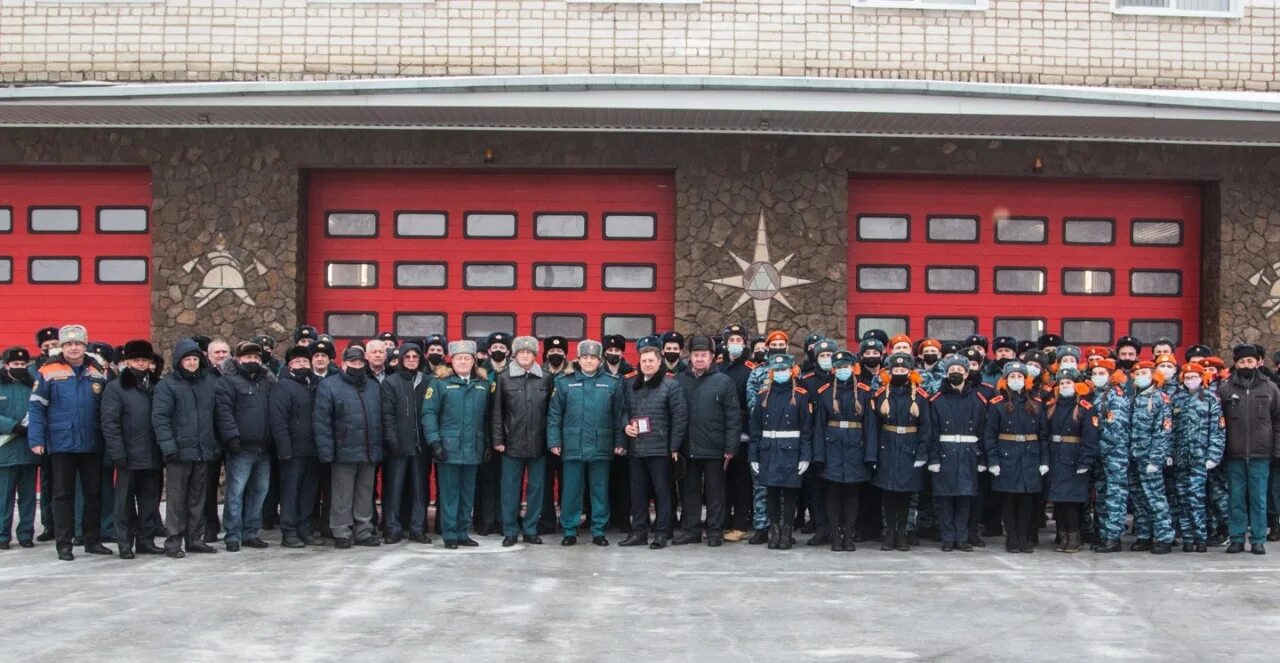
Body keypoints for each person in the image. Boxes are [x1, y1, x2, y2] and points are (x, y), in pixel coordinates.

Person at [27, 325, 114, 560]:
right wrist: (36, 439)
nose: (73, 348)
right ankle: (64, 544)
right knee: (62, 495)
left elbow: (108, 407)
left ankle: (92, 540)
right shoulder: (48, 370)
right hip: (61, 442)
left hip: (92, 442)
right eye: (68, 344)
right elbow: (36, 407)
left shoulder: (98, 370)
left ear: (85, 345)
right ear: (61, 346)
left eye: (78, 344)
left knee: (93, 493)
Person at [547, 339, 626, 546]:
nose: (589, 361)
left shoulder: (612, 382)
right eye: (585, 357)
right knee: (571, 490)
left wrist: (620, 441)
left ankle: (598, 529)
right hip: (572, 444)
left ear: (600, 360)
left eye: (593, 358)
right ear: (578, 359)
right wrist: (554, 440)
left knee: (599, 490)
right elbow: (554, 415)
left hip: (602, 444)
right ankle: (569, 530)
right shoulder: (564, 382)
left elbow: (619, 415)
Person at [152, 338, 220, 558]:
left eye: (195, 359)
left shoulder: (209, 383)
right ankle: (173, 542)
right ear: (179, 361)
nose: (192, 363)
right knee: (176, 501)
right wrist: (168, 447)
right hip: (178, 453)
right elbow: (161, 419)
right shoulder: (167, 385)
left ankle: (195, 539)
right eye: (187, 359)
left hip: (203, 451)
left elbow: (217, 416)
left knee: (198, 499)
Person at [619, 337, 688, 550]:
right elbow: (623, 411)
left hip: (660, 449)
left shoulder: (671, 385)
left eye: (651, 360)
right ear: (639, 362)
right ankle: (638, 532)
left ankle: (662, 533)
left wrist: (674, 447)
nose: (647, 364)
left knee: (662, 493)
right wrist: (625, 426)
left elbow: (680, 418)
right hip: (637, 449)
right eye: (644, 361)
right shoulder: (631, 384)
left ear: (660, 362)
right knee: (637, 493)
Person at [673, 335, 741, 547]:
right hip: (688, 447)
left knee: (715, 493)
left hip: (716, 448)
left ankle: (714, 531)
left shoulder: (724, 381)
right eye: (696, 355)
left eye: (704, 355)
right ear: (690, 357)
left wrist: (731, 446)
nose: (699, 359)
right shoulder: (679, 380)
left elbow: (733, 417)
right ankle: (691, 530)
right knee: (689, 492)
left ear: (712, 357)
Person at [314, 346, 384, 549]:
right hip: (343, 449)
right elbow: (322, 421)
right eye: (352, 362)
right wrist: (326, 451)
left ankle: (363, 530)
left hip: (369, 449)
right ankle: (342, 530)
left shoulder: (373, 386)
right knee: (342, 494)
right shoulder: (329, 386)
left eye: (360, 363)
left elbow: (380, 418)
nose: (356, 366)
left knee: (364, 492)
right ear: (343, 364)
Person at [423, 340, 491, 549]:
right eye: (459, 358)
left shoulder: (483, 385)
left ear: (474, 361)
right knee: (450, 493)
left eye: (467, 358)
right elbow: (429, 414)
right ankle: (450, 534)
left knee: (467, 493)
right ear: (452, 360)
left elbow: (488, 417)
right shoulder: (440, 383)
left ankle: (463, 532)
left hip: (473, 448)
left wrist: (487, 443)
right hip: (448, 448)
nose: (463, 361)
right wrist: (434, 442)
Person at [101, 340, 165, 559]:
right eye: (136, 360)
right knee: (124, 503)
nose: (140, 364)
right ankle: (124, 542)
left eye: (144, 360)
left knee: (150, 501)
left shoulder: (158, 385)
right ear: (127, 362)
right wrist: (117, 451)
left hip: (153, 453)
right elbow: (110, 423)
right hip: (127, 455)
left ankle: (146, 541)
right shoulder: (116, 387)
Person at [213, 340, 276, 552]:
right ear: (238, 359)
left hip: (264, 448)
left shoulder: (267, 382)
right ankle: (232, 535)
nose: (253, 361)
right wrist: (232, 438)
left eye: (256, 358)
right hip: (241, 449)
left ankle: (251, 532)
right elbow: (224, 413)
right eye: (248, 358)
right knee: (235, 493)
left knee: (259, 492)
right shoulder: (228, 382)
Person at [489, 336, 552, 547]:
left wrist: (551, 440)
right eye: (521, 352)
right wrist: (498, 439)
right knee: (509, 489)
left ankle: (531, 529)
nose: (525, 355)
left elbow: (552, 413)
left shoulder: (546, 377)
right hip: (511, 443)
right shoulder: (504, 377)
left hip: (538, 443)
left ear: (535, 355)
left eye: (529, 352)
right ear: (514, 355)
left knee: (536, 488)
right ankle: (510, 530)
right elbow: (497, 412)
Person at [1217, 344, 1280, 554]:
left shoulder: (1270, 388)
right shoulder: (1225, 388)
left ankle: (1258, 539)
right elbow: (1218, 422)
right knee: (1235, 498)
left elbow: (1278, 421)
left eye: (1250, 361)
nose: (1246, 365)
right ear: (1236, 363)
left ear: (1258, 362)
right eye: (1242, 362)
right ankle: (1236, 537)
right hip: (1233, 454)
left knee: (1259, 498)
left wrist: (1277, 450)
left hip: (1261, 454)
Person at [982, 361, 1049, 554]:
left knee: (1027, 500)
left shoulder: (1036, 404)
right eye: (1012, 377)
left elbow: (1043, 435)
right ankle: (1011, 537)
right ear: (1006, 380)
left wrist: (1044, 461)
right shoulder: (997, 405)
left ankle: (1023, 536)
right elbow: (990, 435)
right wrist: (993, 461)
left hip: (1030, 456)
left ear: (1026, 380)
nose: (1016, 380)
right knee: (1009, 499)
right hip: (1007, 456)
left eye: (1020, 377)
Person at [868, 352, 932, 552]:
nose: (899, 373)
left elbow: (926, 427)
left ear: (910, 372)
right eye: (895, 370)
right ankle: (889, 533)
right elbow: (873, 428)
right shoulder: (879, 395)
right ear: (888, 371)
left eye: (903, 370)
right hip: (887, 447)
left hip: (909, 448)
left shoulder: (920, 397)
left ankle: (903, 531)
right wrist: (873, 455)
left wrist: (922, 453)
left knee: (905, 494)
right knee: (888, 494)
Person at [749, 353, 813, 550]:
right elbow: (755, 431)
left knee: (790, 494)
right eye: (776, 370)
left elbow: (806, 430)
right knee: (772, 493)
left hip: (791, 452)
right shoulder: (762, 396)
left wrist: (805, 456)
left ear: (791, 371)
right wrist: (754, 456)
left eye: (784, 370)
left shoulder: (801, 396)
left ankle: (787, 532)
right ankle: (774, 533)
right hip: (768, 450)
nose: (780, 373)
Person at [813, 350, 874, 551]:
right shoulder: (824, 392)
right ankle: (835, 536)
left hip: (855, 447)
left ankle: (849, 535)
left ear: (853, 368)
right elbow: (819, 427)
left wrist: (870, 455)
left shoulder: (865, 391)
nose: (842, 370)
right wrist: (819, 456)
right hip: (832, 447)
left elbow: (870, 427)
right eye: (839, 367)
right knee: (832, 493)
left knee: (851, 494)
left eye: (846, 367)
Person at [928, 355, 986, 552]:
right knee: (945, 500)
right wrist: (933, 458)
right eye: (952, 370)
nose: (956, 374)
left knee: (965, 499)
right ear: (946, 373)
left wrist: (982, 457)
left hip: (969, 454)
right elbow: (932, 432)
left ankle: (962, 538)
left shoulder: (978, 400)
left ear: (967, 374)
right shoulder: (936, 400)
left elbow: (983, 431)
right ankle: (947, 538)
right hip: (946, 454)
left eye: (960, 371)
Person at [270, 345, 325, 548]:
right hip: (292, 451)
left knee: (309, 493)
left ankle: (304, 528)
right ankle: (289, 531)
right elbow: (278, 421)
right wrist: (284, 449)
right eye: (297, 362)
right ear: (290, 365)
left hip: (313, 450)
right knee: (290, 493)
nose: (302, 364)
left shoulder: (315, 384)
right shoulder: (283, 386)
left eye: (305, 361)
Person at [1172, 362, 1225, 553]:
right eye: (1187, 377)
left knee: (1197, 498)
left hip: (1200, 458)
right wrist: (1169, 453)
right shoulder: (1176, 398)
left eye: (1194, 377)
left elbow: (1218, 430)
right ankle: (1187, 538)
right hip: (1180, 458)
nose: (1190, 381)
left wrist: (1214, 455)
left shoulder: (1211, 398)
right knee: (1182, 498)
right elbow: (1170, 429)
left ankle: (1201, 537)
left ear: (1202, 378)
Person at [1044, 369, 1099, 553]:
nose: (1065, 386)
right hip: (1055, 456)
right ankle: (1063, 537)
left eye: (1068, 382)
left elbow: (1090, 438)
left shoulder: (1085, 407)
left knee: (1071, 501)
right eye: (1062, 383)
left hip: (1074, 458)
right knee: (1058, 501)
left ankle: (1074, 538)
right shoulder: (1052, 406)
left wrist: (1085, 462)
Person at [1127, 360, 1176, 554]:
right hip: (1133, 457)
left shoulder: (1159, 398)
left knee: (1156, 498)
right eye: (1137, 374)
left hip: (1150, 459)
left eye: (1144, 373)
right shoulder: (1133, 398)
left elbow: (1163, 431)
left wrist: (1156, 460)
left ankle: (1164, 536)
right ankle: (1145, 535)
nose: (1140, 376)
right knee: (1139, 500)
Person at [1086, 357, 1132, 554]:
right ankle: (1103, 534)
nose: (1097, 377)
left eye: (1102, 373)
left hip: (1114, 454)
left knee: (1115, 496)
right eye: (1095, 373)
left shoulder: (1116, 396)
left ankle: (1113, 537)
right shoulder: (1096, 394)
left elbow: (1115, 429)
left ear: (1111, 375)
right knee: (1102, 496)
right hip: (1099, 454)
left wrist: (1098, 448)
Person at [717, 324, 756, 543]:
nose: (735, 344)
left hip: (742, 431)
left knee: (741, 481)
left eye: (738, 340)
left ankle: (740, 523)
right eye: (731, 341)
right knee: (721, 481)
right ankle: (722, 521)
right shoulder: (718, 366)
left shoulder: (750, 369)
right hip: (719, 430)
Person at [0, 347, 38, 549]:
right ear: (6, 366)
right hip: (5, 451)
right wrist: (11, 426)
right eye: (15, 365)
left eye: (23, 364)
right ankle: (2, 536)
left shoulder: (31, 386)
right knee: (3, 497)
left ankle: (25, 534)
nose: (20, 368)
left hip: (28, 450)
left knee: (28, 497)